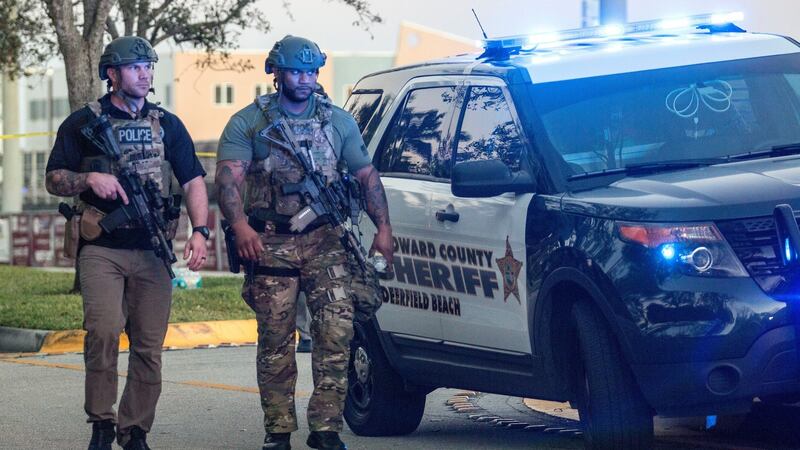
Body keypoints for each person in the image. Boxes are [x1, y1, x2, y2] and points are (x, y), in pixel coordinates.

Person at [215, 35, 393, 450]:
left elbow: (366, 176)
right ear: (276, 73)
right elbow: (228, 178)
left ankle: (325, 429)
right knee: (275, 340)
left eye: (312, 71)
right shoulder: (250, 122)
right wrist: (240, 226)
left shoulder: (339, 122)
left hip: (326, 241)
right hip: (271, 240)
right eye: (296, 71)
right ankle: (278, 430)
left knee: (336, 333)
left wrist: (383, 229)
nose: (306, 79)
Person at [45, 36, 209, 450]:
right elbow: (54, 178)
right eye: (136, 66)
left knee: (149, 345)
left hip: (152, 251)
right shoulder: (82, 123)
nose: (145, 73)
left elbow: (192, 181)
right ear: (112, 75)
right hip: (103, 247)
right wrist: (88, 179)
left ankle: (134, 429)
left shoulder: (168, 124)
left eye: (149, 66)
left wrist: (201, 231)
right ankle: (102, 421)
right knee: (102, 331)